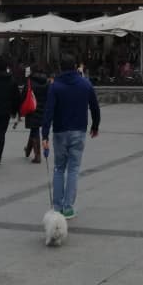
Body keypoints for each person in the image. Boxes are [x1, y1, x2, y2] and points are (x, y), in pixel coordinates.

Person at [41, 52, 101, 219]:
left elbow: (49, 111)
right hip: (79, 131)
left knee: (59, 168)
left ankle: (57, 206)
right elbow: (95, 107)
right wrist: (95, 126)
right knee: (73, 169)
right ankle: (68, 207)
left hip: (60, 131)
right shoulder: (85, 84)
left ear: (61, 67)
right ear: (75, 67)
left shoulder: (55, 86)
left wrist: (44, 134)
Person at [23, 67, 50, 163]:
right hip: (44, 109)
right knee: (34, 129)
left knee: (34, 129)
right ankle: (28, 150)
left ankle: (37, 155)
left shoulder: (30, 82)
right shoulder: (47, 82)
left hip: (32, 108)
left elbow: (24, 95)